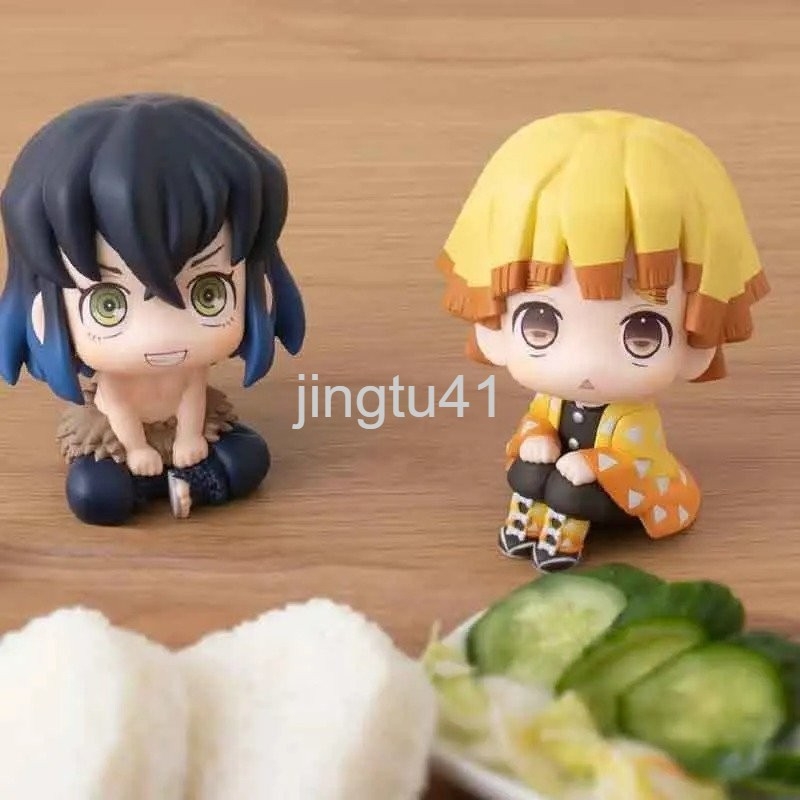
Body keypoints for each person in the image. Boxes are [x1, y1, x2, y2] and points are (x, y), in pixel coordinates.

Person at [436, 110, 768, 571]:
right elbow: (535, 425)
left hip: (628, 493)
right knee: (528, 471)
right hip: (565, 475)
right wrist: (536, 439)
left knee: (568, 488)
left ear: (698, 333)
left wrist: (592, 465)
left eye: (643, 332)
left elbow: (639, 460)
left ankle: (563, 542)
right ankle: (525, 527)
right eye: (540, 323)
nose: (586, 364)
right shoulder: (549, 404)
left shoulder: (634, 420)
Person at [0, 94, 305, 525]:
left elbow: (192, 395)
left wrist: (188, 439)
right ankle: (161, 484)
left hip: (184, 425)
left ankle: (182, 482)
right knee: (95, 494)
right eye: (108, 305)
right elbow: (119, 409)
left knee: (248, 458)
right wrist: (137, 449)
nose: (161, 334)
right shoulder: (116, 382)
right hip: (118, 435)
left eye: (208, 294)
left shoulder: (190, 368)